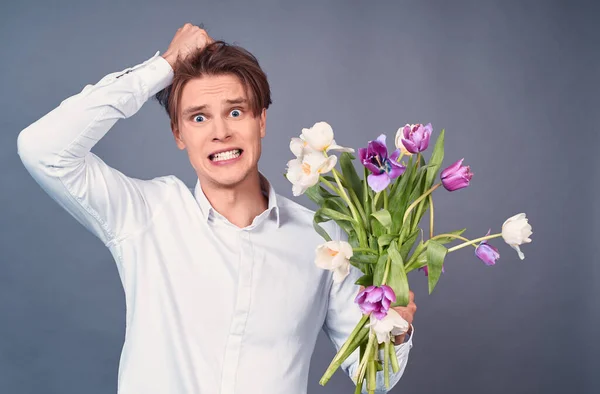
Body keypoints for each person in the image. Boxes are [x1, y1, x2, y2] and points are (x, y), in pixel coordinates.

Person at [17, 23, 416, 394]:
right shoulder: (143, 214)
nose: (220, 131)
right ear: (178, 133)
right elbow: (43, 149)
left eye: (236, 112)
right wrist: (163, 67)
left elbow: (374, 378)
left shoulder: (326, 240)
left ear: (261, 121)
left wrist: (394, 332)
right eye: (199, 117)